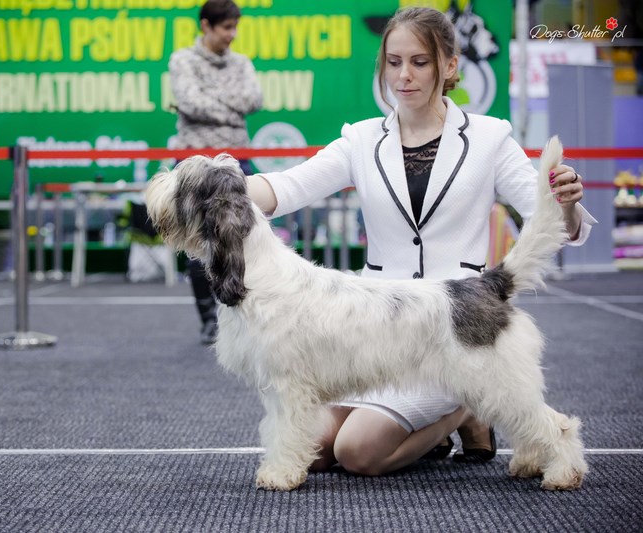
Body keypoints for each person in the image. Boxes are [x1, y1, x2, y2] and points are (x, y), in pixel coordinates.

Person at [245, 7, 597, 476]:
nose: (403, 76)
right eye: (394, 62)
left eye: (419, 62)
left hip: (455, 326)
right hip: (373, 333)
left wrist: (565, 204)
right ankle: (465, 405)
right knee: (320, 447)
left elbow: (554, 222)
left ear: (449, 65)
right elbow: (286, 188)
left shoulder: (490, 137)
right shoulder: (361, 140)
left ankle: (465, 405)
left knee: (357, 452)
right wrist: (223, 186)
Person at [168, 0, 263, 344]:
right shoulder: (182, 60)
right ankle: (209, 319)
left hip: (238, 160)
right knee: (198, 240)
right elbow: (190, 102)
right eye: (226, 27)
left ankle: (245, 314)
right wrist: (231, 111)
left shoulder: (242, 62)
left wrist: (210, 99)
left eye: (235, 27)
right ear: (206, 25)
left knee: (247, 237)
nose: (232, 34)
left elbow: (254, 100)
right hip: (194, 162)